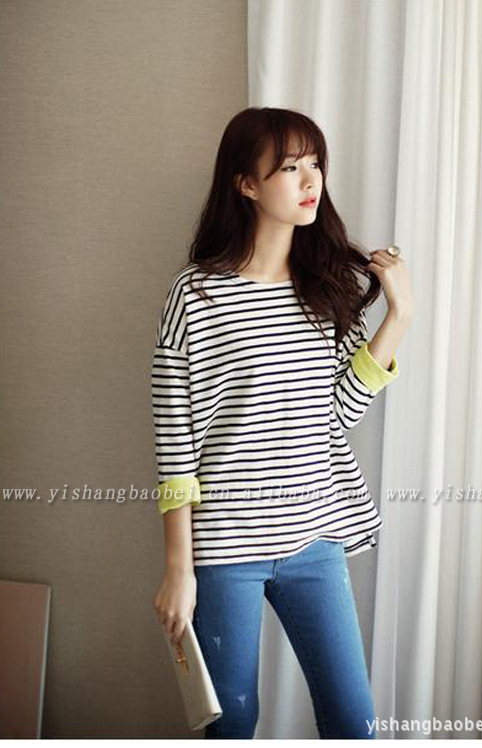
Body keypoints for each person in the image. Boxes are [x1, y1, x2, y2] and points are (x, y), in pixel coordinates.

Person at [151, 106, 413, 739]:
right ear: (246, 184)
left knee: (354, 723)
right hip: (225, 546)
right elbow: (175, 443)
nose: (310, 179)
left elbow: (339, 413)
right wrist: (178, 569)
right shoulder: (197, 294)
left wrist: (398, 317)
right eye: (291, 167)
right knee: (233, 723)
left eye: (315, 163)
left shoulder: (324, 289)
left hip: (315, 537)